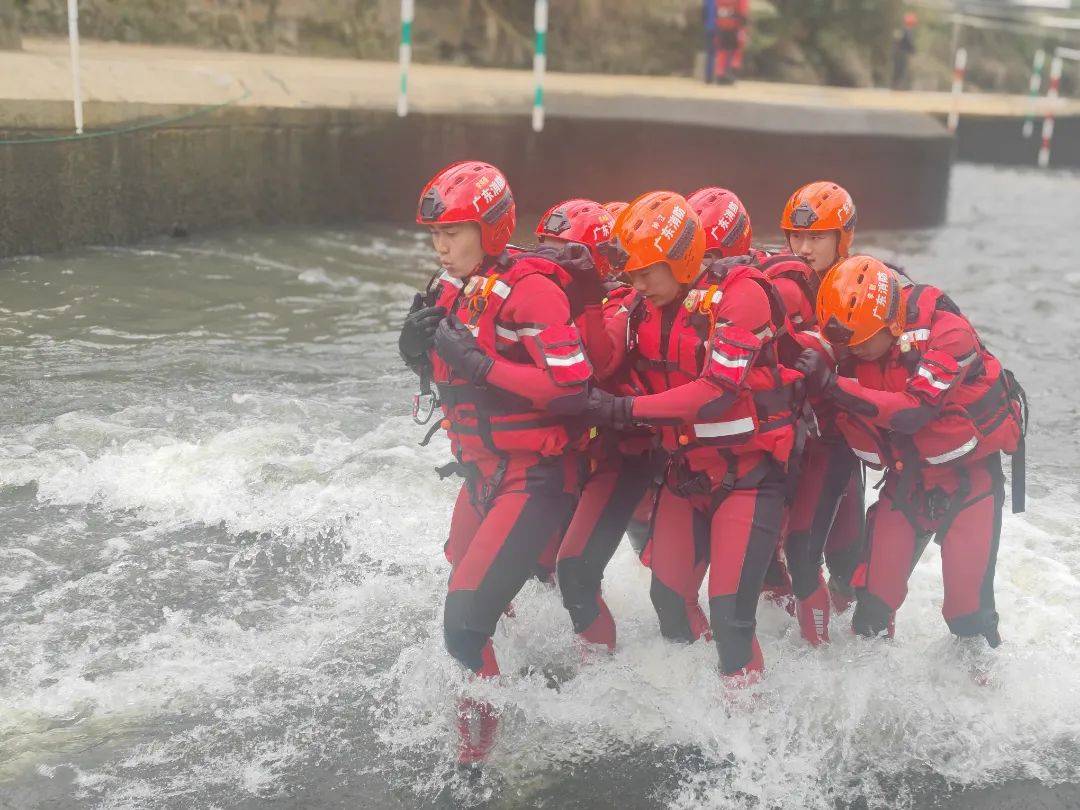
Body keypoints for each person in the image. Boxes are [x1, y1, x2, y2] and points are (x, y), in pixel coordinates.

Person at [398, 161, 592, 772]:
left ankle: (477, 762)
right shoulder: (450, 285)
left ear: (492, 228)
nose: (441, 245)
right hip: (481, 474)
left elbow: (573, 388)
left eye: (453, 232)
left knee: (461, 626)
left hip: (533, 478)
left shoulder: (533, 290)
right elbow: (447, 380)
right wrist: (414, 354)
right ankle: (491, 720)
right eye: (435, 234)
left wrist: (482, 365)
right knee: (472, 607)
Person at [587, 192, 802, 686]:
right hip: (685, 478)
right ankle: (705, 706)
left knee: (731, 618)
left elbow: (716, 391)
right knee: (668, 602)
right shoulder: (641, 304)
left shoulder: (742, 294)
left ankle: (748, 737)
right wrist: (583, 298)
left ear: (681, 257)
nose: (636, 284)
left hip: (748, 479)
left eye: (647, 272)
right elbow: (600, 363)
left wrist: (624, 409)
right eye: (631, 274)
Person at [796, 257, 1025, 651]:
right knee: (871, 611)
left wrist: (833, 385)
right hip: (907, 481)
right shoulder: (850, 340)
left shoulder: (950, 334)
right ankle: (869, 697)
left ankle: (980, 697)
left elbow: (915, 411)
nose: (854, 351)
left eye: (862, 342)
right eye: (846, 345)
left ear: (893, 324)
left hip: (970, 483)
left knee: (968, 616)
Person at [688, 185, 797, 611]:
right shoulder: (676, 294)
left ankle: (816, 651)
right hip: (699, 460)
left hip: (776, 443)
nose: (804, 247)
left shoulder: (767, 290)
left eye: (706, 255)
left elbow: (717, 388)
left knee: (801, 557)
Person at [775, 181, 867, 645]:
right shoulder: (780, 280)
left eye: (815, 237)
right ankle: (804, 646)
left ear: (843, 237)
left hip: (840, 441)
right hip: (792, 440)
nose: (803, 247)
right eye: (795, 236)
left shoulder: (869, 287)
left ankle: (847, 654)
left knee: (848, 562)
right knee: (793, 551)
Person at [712, 0, 750, 85]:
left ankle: (720, 73)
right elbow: (743, 10)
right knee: (735, 49)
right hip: (734, 26)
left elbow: (715, 9)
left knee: (722, 50)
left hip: (721, 24)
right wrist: (743, 25)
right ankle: (732, 70)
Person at [893, 12, 918, 90]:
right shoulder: (907, 31)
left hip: (899, 52)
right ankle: (898, 86)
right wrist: (913, 50)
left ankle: (897, 86)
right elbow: (909, 42)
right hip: (902, 53)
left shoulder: (903, 30)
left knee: (899, 69)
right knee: (900, 70)